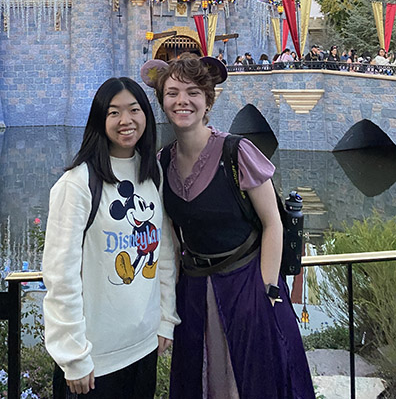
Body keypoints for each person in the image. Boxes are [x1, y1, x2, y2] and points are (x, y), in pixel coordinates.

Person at [141, 54, 315, 399]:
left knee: (257, 377)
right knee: (201, 377)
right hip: (194, 288)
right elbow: (171, 235)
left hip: (247, 281)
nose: (182, 101)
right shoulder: (162, 162)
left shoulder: (237, 152)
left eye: (192, 92)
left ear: (208, 100)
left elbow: (272, 223)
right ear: (161, 101)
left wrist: (267, 289)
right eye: (172, 92)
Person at [43, 77, 179, 399]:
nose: (126, 121)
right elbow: (60, 276)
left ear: (146, 114)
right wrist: (73, 356)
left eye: (134, 110)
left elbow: (165, 254)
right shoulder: (77, 184)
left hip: (144, 347)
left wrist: (165, 320)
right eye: (114, 112)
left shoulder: (152, 173)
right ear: (99, 120)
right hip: (95, 358)